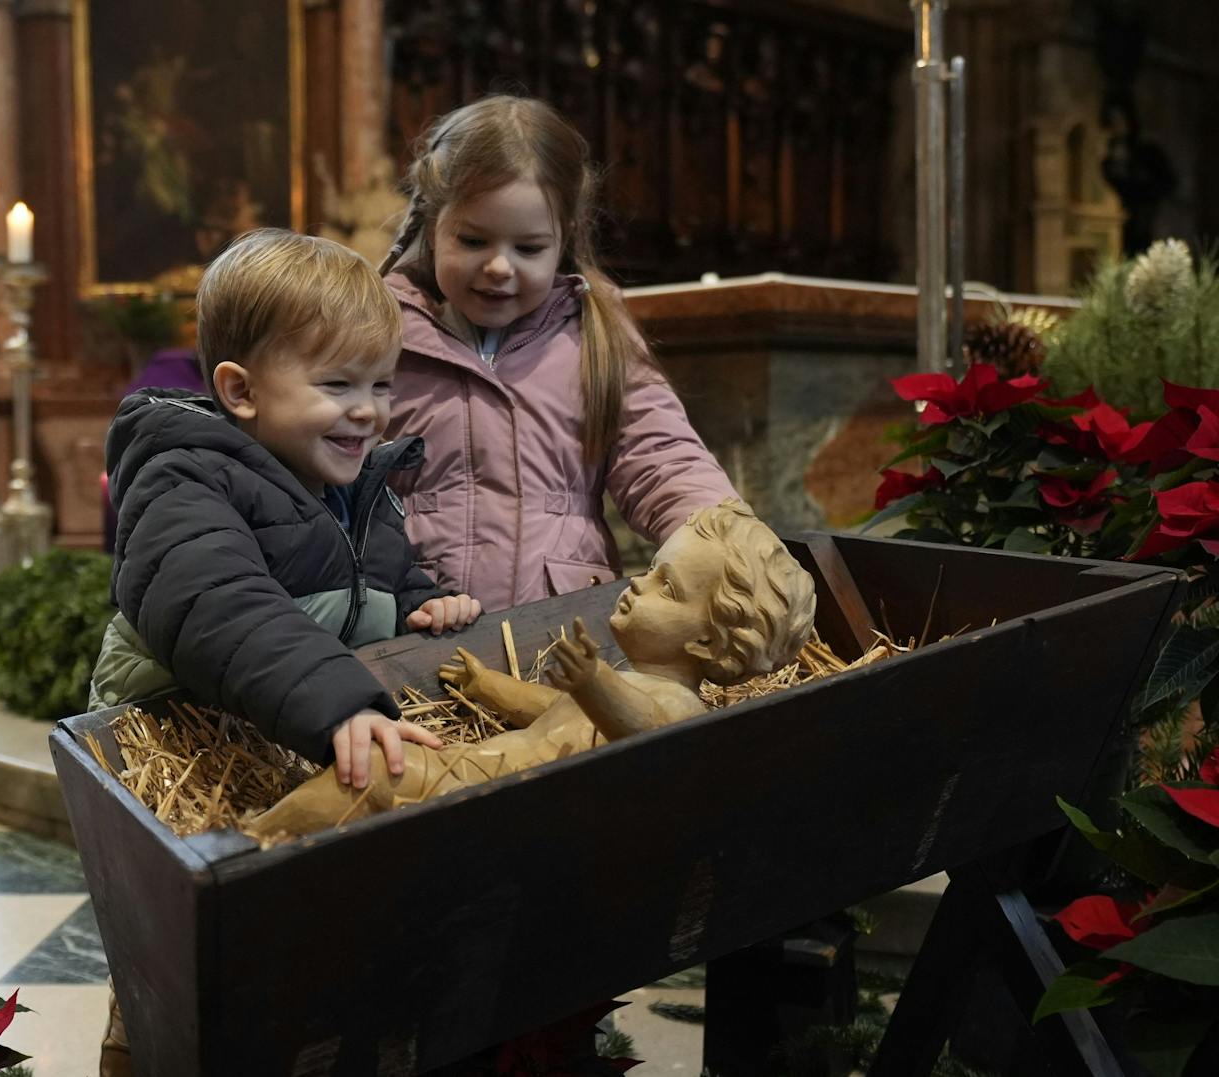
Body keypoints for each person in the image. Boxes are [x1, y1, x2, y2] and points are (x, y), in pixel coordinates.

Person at [90, 228, 483, 1075]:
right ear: (238, 389)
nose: (369, 409)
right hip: (185, 767)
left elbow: (369, 579)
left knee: (309, 986)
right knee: (181, 999)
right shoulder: (184, 476)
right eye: (337, 383)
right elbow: (216, 603)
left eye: (381, 383)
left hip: (287, 753)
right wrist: (335, 697)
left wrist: (419, 604)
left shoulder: (347, 485)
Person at [247, 501, 815, 841]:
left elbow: (647, 735)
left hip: (496, 799)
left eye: (667, 588)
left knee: (370, 773)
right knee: (369, 773)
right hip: (478, 771)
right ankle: (269, 835)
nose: (638, 583)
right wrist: (489, 686)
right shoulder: (620, 676)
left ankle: (260, 842)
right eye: (653, 569)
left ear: (707, 639)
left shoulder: (677, 705)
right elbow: (553, 713)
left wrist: (595, 682)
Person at [378, 95, 740, 611]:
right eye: (474, 240)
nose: (500, 267)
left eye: (528, 249)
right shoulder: (380, 333)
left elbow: (659, 456)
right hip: (416, 622)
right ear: (434, 227)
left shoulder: (595, 332)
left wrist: (722, 534)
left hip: (565, 628)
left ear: (562, 239)